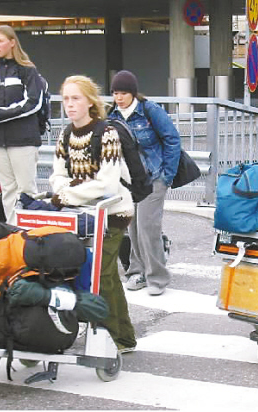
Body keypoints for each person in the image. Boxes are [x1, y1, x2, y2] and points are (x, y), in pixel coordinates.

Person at [49, 75, 137, 353]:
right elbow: (56, 176)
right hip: (81, 214)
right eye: (66, 98)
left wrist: (68, 194)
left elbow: (107, 185)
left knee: (101, 273)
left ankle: (113, 338)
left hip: (113, 213)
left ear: (89, 101)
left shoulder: (107, 133)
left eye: (76, 98)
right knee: (104, 275)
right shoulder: (65, 134)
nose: (70, 104)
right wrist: (66, 189)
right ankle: (124, 337)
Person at [108, 70, 181, 296]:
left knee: (148, 227)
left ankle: (157, 277)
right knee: (133, 228)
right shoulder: (112, 115)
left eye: (123, 93)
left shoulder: (149, 110)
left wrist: (167, 175)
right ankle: (136, 271)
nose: (119, 98)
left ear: (133, 93)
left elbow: (172, 139)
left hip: (154, 176)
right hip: (130, 181)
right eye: (115, 93)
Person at [0, 25, 44, 225]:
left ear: (12, 42)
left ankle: (29, 233)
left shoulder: (27, 70)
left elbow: (33, 103)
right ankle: (12, 230)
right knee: (7, 189)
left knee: (26, 190)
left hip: (23, 139)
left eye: (0, 41)